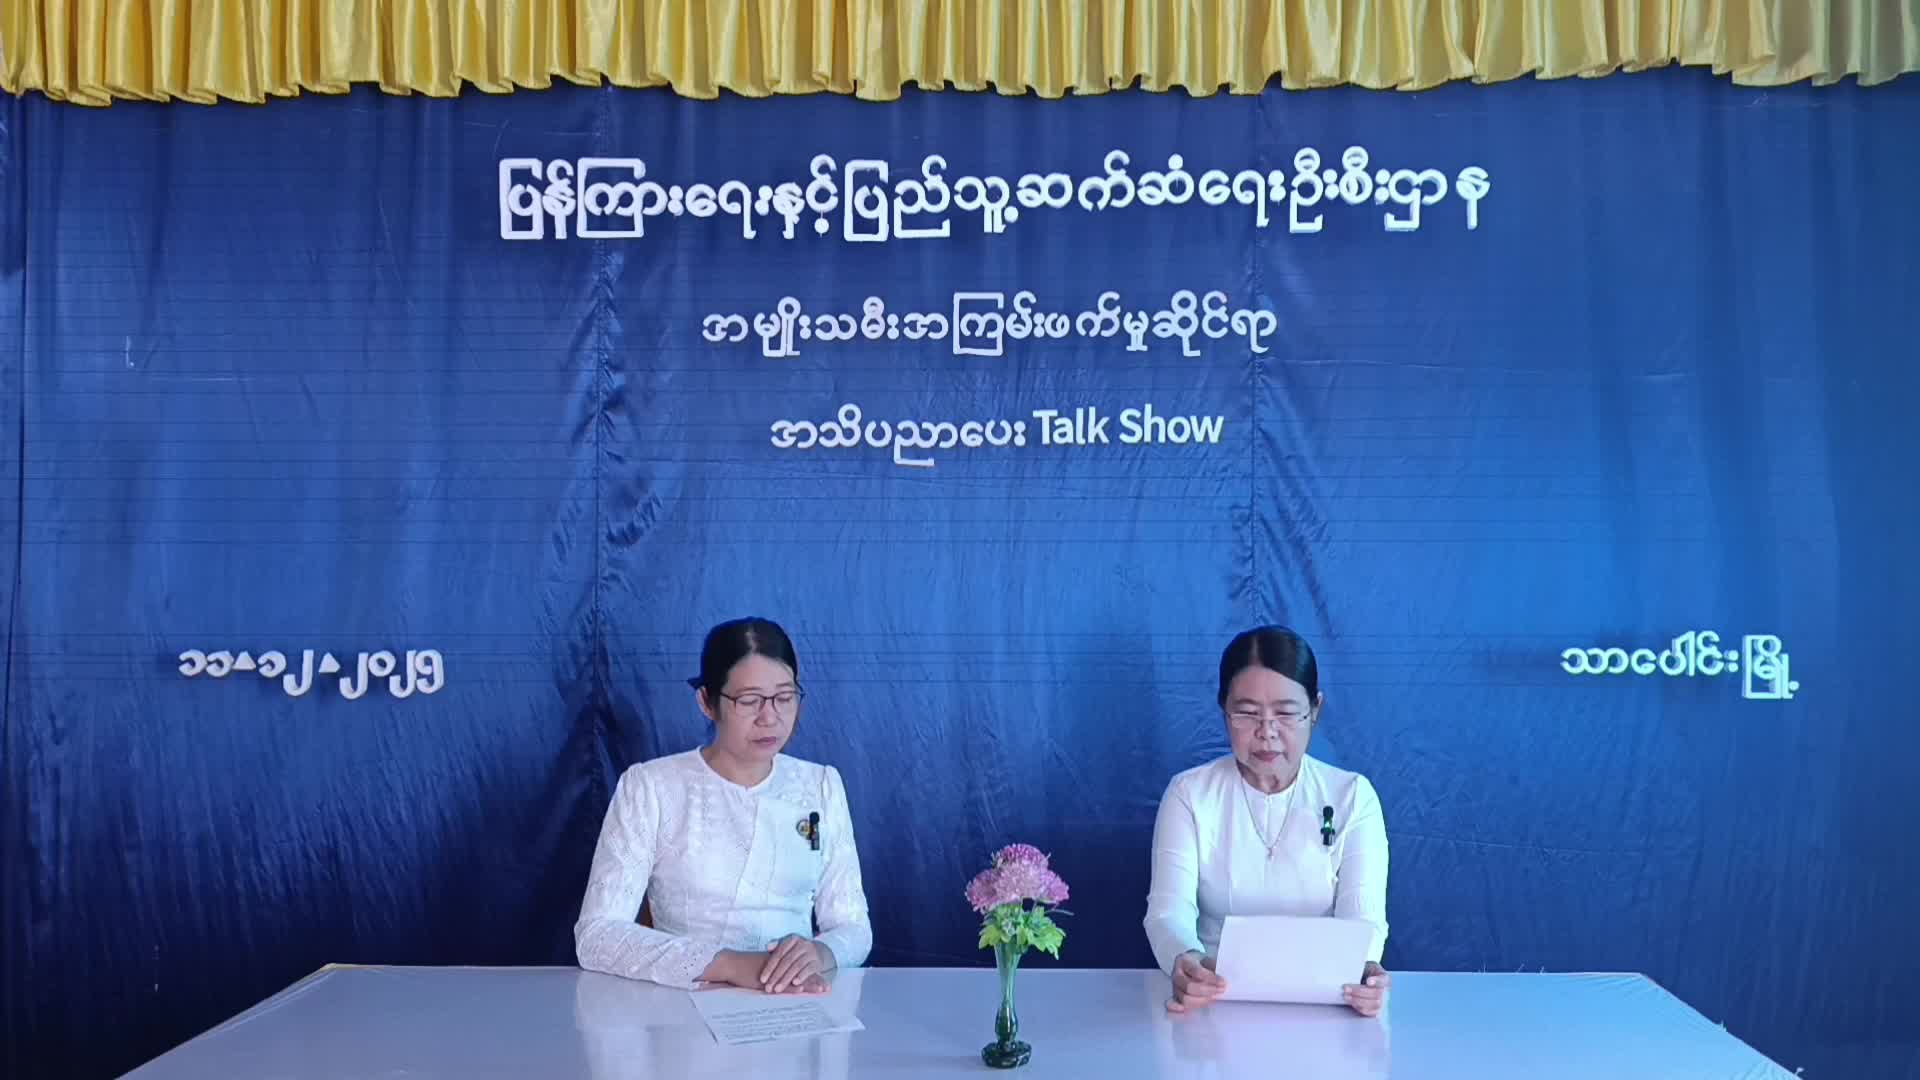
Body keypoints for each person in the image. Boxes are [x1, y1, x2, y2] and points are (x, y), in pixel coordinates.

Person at [574, 617, 872, 993]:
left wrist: (821, 953)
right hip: (681, 1003)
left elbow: (854, 927)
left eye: (784, 697)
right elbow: (596, 935)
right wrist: (730, 964)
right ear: (706, 702)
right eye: (749, 700)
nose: (770, 717)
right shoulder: (651, 787)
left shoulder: (820, 785)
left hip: (795, 1001)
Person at [1143, 626, 1391, 1017]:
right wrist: (1185, 959)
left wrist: (1365, 970)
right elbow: (1167, 911)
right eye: (1246, 713)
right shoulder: (1190, 795)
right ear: (1224, 710)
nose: (1266, 733)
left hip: (1326, 1002)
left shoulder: (1352, 797)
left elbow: (1363, 919)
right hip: (1213, 996)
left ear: (1315, 710)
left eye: (1286, 713)